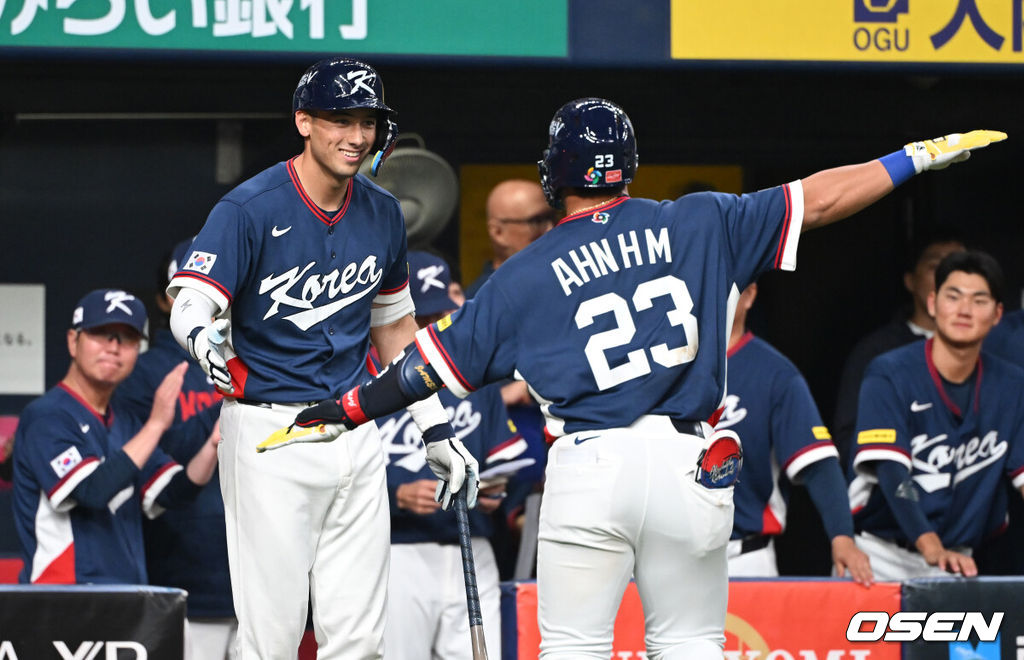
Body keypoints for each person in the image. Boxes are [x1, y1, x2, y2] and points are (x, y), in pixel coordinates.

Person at [261, 101, 1006, 658]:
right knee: (688, 646)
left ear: (557, 172)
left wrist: (342, 410)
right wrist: (913, 156)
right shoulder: (700, 219)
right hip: (690, 461)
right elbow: (826, 196)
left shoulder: (522, 273)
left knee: (575, 650)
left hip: (591, 464)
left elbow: (425, 368)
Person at [166, 57, 478, 659]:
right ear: (303, 121)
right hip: (267, 429)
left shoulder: (385, 211)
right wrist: (200, 337)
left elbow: (394, 329)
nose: (356, 137)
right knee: (273, 636)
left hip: (354, 427)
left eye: (367, 122)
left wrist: (433, 427)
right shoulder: (249, 207)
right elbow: (191, 303)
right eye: (340, 120)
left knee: (360, 638)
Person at [11, 289, 220, 584]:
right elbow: (91, 492)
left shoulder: (126, 423)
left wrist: (212, 444)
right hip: (62, 597)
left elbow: (174, 492)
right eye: (101, 333)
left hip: (124, 598)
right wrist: (156, 425)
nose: (114, 347)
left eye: (127, 337)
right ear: (73, 341)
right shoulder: (47, 416)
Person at [380, 250, 528, 659]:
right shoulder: (363, 381)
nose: (430, 328)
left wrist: (494, 492)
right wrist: (397, 495)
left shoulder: (473, 377)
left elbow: (506, 468)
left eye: (438, 316)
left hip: (471, 543)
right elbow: (335, 478)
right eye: (419, 318)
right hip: (395, 550)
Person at [849, 250, 1024, 580]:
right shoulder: (889, 373)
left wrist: (943, 555)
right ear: (932, 304)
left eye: (979, 300)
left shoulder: (1012, 386)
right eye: (953, 296)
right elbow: (891, 471)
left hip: (959, 560)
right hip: (880, 557)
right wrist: (931, 546)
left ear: (998, 314)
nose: (964, 310)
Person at [115, 238, 235, 660]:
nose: (203, 305)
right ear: (164, 302)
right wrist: (217, 420)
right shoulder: (143, 373)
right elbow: (150, 463)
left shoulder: (261, 362)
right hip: (183, 572)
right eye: (187, 295)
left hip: (260, 569)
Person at [719, 283, 873, 585]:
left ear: (749, 295)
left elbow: (818, 464)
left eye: (727, 285)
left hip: (743, 559)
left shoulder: (774, 372)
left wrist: (842, 536)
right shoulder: (660, 365)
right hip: (663, 556)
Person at [832, 230, 965, 467]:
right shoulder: (878, 353)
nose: (949, 277)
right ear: (910, 280)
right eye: (936, 267)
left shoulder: (995, 350)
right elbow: (848, 438)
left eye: (961, 267)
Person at [464, 179, 555, 299]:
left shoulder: (567, 279)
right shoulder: (480, 303)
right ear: (498, 233)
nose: (551, 228)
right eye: (536, 221)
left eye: (552, 217)